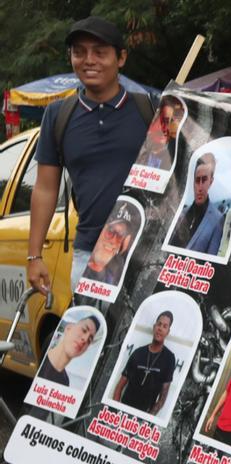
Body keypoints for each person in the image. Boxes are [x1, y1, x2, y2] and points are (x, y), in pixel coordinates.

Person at [27, 16, 155, 292]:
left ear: (121, 58)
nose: (89, 60)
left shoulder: (150, 109)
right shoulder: (58, 115)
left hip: (148, 255)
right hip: (89, 255)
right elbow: (45, 188)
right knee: (87, 323)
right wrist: (34, 256)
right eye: (79, 52)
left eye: (99, 52)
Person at [112, 311, 176, 415]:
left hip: (144, 415)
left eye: (164, 326)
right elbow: (119, 386)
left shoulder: (169, 358)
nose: (160, 328)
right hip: (123, 411)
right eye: (159, 324)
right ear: (154, 327)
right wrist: (115, 411)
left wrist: (146, 419)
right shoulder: (138, 353)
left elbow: (161, 400)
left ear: (168, 332)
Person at [169, 153, 231, 255]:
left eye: (204, 180)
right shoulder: (181, 213)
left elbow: (210, 258)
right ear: (193, 182)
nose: (200, 187)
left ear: (211, 182)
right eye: (197, 180)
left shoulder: (217, 219)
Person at [81, 201, 139, 285]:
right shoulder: (77, 265)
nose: (114, 241)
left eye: (120, 235)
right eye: (110, 231)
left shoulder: (114, 278)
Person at [36, 314, 101, 388]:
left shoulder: (64, 381)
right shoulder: (48, 343)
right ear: (68, 328)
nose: (85, 339)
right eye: (84, 330)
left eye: (89, 340)